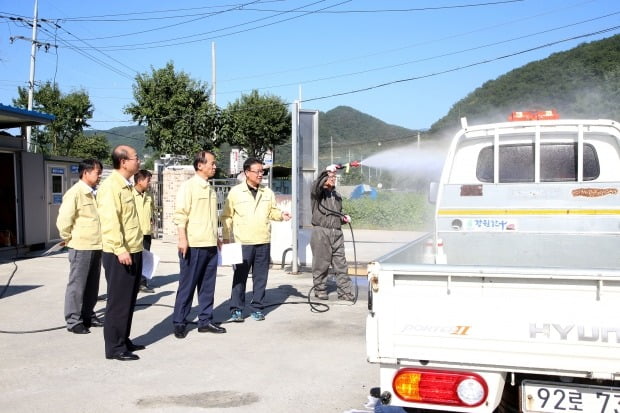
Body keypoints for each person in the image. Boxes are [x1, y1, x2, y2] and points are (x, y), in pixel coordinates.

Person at [221, 157, 291, 322]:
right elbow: (226, 216)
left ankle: (257, 307)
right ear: (247, 173)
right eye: (258, 171)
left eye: (262, 171)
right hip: (243, 242)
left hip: (263, 241)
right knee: (240, 277)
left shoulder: (267, 192)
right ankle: (237, 308)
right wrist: (226, 238)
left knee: (261, 277)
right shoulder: (236, 192)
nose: (261, 174)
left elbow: (272, 212)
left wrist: (281, 215)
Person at [172, 150, 226, 339]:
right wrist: (182, 239)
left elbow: (210, 218)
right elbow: (181, 214)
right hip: (193, 244)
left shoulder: (210, 188)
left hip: (209, 244)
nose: (214, 166)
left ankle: (205, 320)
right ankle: (179, 321)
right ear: (200, 165)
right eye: (211, 162)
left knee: (207, 286)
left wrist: (217, 237)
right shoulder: (189, 187)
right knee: (187, 285)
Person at [97, 145, 144, 361]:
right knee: (118, 302)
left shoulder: (126, 186)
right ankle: (114, 348)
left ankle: (123, 340)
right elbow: (110, 222)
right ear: (123, 162)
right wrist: (120, 248)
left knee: (129, 300)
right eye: (136, 158)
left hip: (133, 250)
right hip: (120, 254)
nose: (139, 161)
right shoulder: (110, 187)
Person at [56, 158, 104, 335]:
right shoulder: (75, 193)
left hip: (96, 245)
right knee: (77, 285)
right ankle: (73, 320)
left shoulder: (94, 193)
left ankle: (88, 315)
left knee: (92, 285)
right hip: (80, 246)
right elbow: (63, 220)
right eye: (97, 172)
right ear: (86, 172)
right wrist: (68, 238)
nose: (99, 176)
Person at [310, 165, 354, 301]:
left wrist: (343, 218)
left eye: (334, 177)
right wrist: (326, 172)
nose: (332, 179)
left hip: (337, 233)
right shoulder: (317, 193)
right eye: (330, 177)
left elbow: (336, 214)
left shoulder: (337, 196)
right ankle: (320, 289)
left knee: (341, 264)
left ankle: (345, 292)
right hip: (321, 231)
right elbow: (316, 184)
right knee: (321, 263)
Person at [133, 169, 155, 293]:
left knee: (145, 258)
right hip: (134, 233)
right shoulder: (130, 194)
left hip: (146, 232)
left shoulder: (148, 195)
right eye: (148, 180)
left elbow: (152, 209)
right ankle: (132, 282)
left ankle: (142, 283)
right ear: (140, 181)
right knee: (134, 259)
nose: (149, 183)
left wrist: (151, 218)